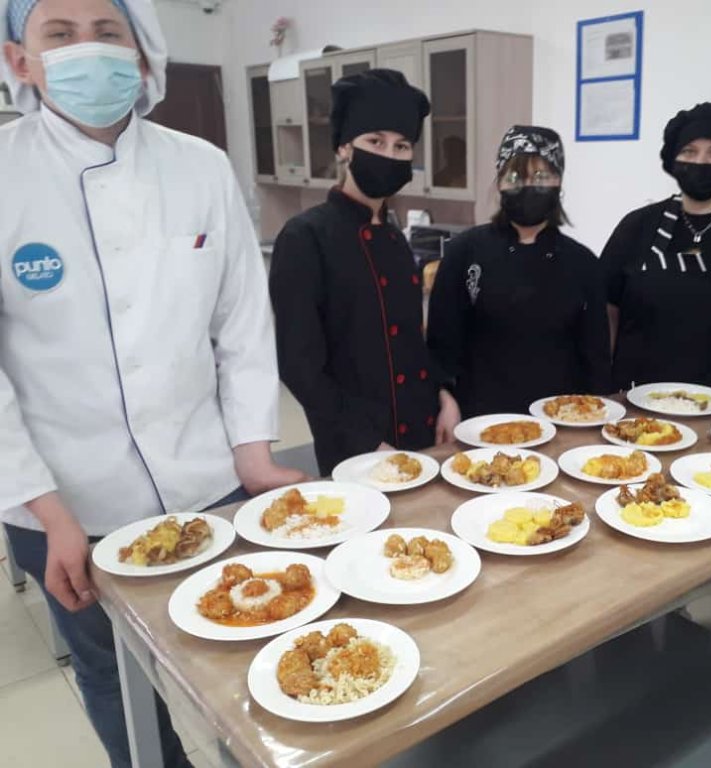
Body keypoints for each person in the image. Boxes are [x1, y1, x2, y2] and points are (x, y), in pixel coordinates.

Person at [0, 0, 305, 765]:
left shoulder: (199, 166)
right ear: (18, 59)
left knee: (241, 653)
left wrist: (253, 451)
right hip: (68, 504)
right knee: (113, 676)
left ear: (141, 54)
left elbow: (241, 322)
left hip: (210, 481)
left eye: (108, 31)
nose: (88, 49)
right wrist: (45, 509)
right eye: (59, 34)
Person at [270, 69, 460, 475]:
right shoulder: (305, 237)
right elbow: (300, 367)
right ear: (344, 148)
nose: (389, 154)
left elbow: (412, 340)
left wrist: (444, 396)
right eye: (375, 141)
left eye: (401, 146)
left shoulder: (395, 239)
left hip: (422, 434)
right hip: (355, 448)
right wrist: (367, 443)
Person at [601, 103, 711, 402]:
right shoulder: (636, 227)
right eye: (689, 151)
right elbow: (607, 311)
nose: (701, 162)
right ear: (673, 160)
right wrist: (604, 391)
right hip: (633, 398)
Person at [427, 125, 611, 417]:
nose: (527, 186)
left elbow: (595, 357)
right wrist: (444, 400)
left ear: (558, 182)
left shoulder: (583, 263)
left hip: (560, 418)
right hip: (479, 420)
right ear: (499, 183)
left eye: (540, 176)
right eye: (514, 177)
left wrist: (595, 417)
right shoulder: (465, 252)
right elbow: (441, 343)